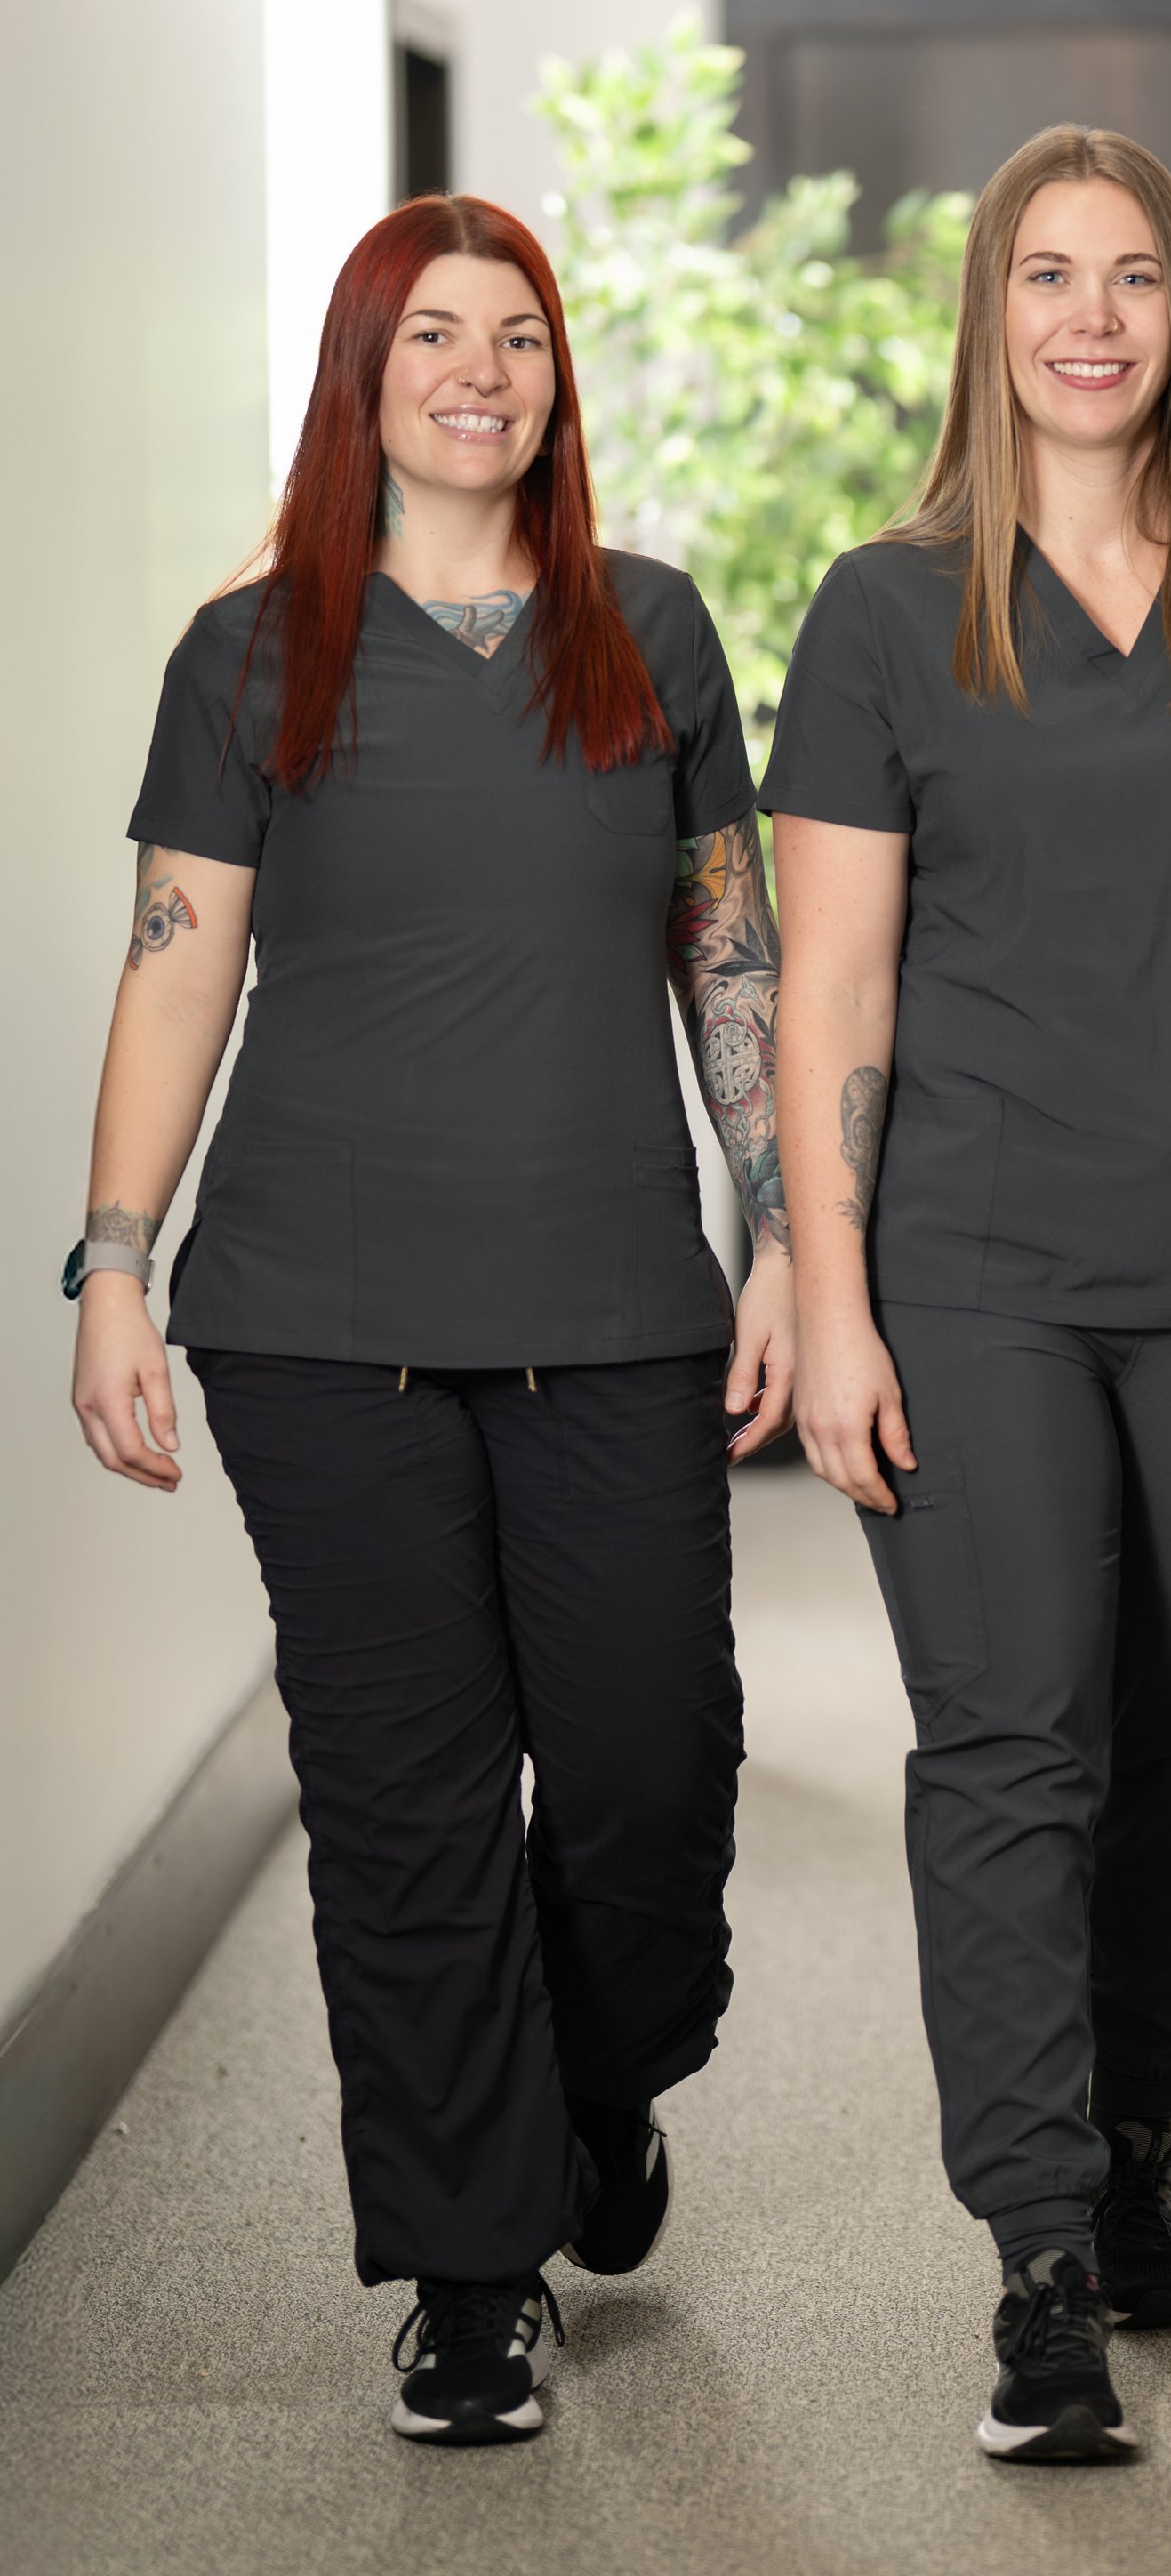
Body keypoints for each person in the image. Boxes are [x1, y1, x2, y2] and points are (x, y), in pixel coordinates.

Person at [66, 194, 794, 2446]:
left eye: (520, 336)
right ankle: (472, 2271)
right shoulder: (250, 651)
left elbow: (730, 962)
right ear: (363, 372)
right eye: (434, 333)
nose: (482, 369)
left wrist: (780, 1224)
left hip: (614, 1307)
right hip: (316, 1312)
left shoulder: (650, 633)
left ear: (556, 382)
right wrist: (113, 1255)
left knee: (651, 1763)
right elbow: (179, 960)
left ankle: (599, 2080)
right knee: (401, 1805)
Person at [765, 124, 1171, 2464]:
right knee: (1009, 1740)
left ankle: (1134, 2126)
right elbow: (827, 989)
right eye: (1044, 276)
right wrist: (829, 1296)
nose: (1084, 317)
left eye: (1128, 277)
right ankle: (1039, 2248)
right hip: (965, 1272)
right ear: (990, 314)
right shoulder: (882, 609)